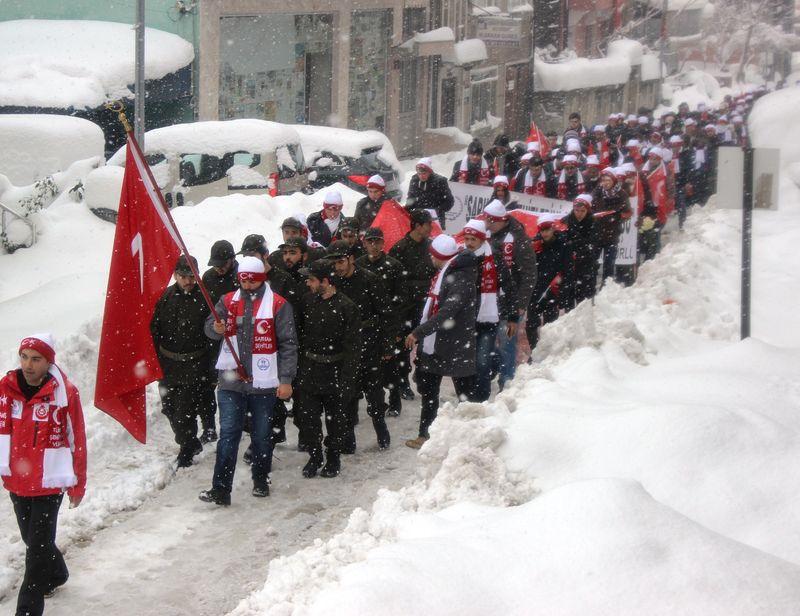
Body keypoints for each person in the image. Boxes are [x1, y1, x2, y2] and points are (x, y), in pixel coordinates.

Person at [199, 256, 297, 506]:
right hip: (231, 382)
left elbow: (288, 344)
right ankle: (220, 488)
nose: (248, 285)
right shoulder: (227, 301)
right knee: (229, 434)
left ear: (262, 279)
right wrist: (215, 329)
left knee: (262, 434)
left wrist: (285, 380)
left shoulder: (278, 304)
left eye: (253, 280)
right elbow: (210, 327)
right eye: (244, 280)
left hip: (263, 382)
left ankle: (261, 479)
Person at [1, 334, 87, 616]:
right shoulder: (5, 389)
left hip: (50, 479)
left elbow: (77, 440)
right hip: (17, 479)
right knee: (33, 540)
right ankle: (58, 573)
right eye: (24, 357)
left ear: (49, 361)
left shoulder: (64, 393)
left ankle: (27, 610)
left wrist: (78, 483)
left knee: (36, 550)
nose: (28, 365)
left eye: (36, 359)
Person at [404, 235, 481, 448]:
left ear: (441, 256)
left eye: (432, 255)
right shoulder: (445, 272)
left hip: (456, 343)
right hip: (436, 343)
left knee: (466, 396)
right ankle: (425, 434)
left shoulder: (462, 277)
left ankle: (474, 436)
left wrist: (419, 332)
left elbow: (447, 311)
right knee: (429, 391)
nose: (430, 258)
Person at [295, 259, 361, 478]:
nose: (308, 284)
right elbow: (300, 336)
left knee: (335, 420)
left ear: (325, 281)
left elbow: (353, 348)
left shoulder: (347, 307)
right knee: (309, 419)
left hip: (335, 369)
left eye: (311, 280)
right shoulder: (306, 302)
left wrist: (348, 380)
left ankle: (333, 457)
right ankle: (315, 456)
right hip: (310, 369)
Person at [327, 240, 392, 451]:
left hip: (370, 341)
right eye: (334, 262)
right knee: (347, 393)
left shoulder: (369, 279)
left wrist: (387, 344)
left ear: (352, 259)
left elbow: (385, 313)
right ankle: (348, 438)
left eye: (341, 261)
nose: (338, 266)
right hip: (346, 346)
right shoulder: (333, 282)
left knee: (374, 391)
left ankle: (380, 428)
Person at [237, 234, 300, 449]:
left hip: (274, 348)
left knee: (272, 400)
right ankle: (260, 436)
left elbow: (294, 317)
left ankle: (266, 441)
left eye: (252, 254)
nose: (248, 259)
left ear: (264, 255)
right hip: (249, 349)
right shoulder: (243, 280)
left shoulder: (283, 280)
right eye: (245, 255)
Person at [151, 255, 215, 463]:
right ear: (175, 275)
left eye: (191, 276)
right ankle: (190, 442)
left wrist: (212, 369)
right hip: (169, 364)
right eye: (183, 276)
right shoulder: (165, 297)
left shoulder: (206, 298)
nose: (188, 281)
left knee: (184, 411)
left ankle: (186, 448)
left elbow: (213, 337)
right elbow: (155, 330)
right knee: (169, 407)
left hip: (195, 364)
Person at [462, 220, 518, 402]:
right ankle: (497, 360)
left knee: (481, 361)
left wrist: (512, 317)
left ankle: (480, 399)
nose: (469, 243)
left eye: (473, 239)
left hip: (488, 318)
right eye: (466, 239)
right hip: (467, 317)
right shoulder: (462, 257)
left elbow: (509, 287)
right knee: (472, 359)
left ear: (481, 239)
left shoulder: (494, 258)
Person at [483, 200, 537, 390]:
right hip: (490, 300)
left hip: (510, 301)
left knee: (506, 343)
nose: (486, 224)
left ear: (498, 221)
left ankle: (506, 382)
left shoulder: (518, 240)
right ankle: (496, 371)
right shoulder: (489, 236)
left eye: (489, 221)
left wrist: (521, 303)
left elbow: (529, 273)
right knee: (488, 342)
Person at [355, 227, 406, 417]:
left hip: (386, 322)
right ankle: (374, 403)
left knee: (389, 365)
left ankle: (394, 400)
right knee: (367, 367)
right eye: (370, 241)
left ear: (383, 243)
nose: (374, 245)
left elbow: (401, 299)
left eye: (377, 241)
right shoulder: (359, 264)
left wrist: (396, 328)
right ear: (364, 243)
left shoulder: (394, 266)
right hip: (366, 323)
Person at [388, 209, 436, 400]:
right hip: (405, 307)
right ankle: (402, 381)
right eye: (428, 224)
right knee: (404, 345)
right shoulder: (400, 249)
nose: (431, 228)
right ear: (417, 226)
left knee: (425, 343)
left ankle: (422, 375)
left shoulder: (431, 247)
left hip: (426, 306)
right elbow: (394, 280)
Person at [527, 221, 571, 352]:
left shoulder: (563, 245)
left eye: (547, 230)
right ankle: (535, 351)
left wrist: (563, 287)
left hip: (553, 290)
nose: (545, 233)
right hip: (535, 290)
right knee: (531, 325)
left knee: (549, 325)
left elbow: (567, 269)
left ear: (553, 230)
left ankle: (546, 352)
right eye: (542, 230)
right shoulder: (536, 245)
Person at [591, 168, 632, 281]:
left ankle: (606, 289)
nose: (605, 183)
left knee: (608, 266)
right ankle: (590, 289)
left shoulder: (621, 194)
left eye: (608, 180)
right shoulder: (597, 192)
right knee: (592, 264)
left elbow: (628, 212)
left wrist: (617, 216)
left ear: (613, 180)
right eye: (603, 180)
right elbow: (590, 207)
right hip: (597, 234)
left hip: (612, 235)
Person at [560, 194, 599, 307]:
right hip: (570, 263)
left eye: (582, 211)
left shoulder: (593, 222)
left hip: (587, 262)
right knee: (569, 295)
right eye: (577, 210)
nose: (579, 214)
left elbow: (592, 244)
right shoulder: (566, 221)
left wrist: (576, 238)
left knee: (584, 298)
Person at [406, 157, 454, 230]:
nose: (421, 176)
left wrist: (437, 210)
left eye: (424, 173)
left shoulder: (440, 181)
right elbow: (411, 198)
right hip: (419, 218)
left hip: (435, 218)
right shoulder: (414, 180)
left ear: (430, 172)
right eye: (419, 174)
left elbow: (449, 201)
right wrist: (407, 208)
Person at [202, 240, 238, 304]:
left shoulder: (242, 277)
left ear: (233, 258)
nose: (219, 268)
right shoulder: (207, 277)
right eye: (215, 265)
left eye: (223, 264)